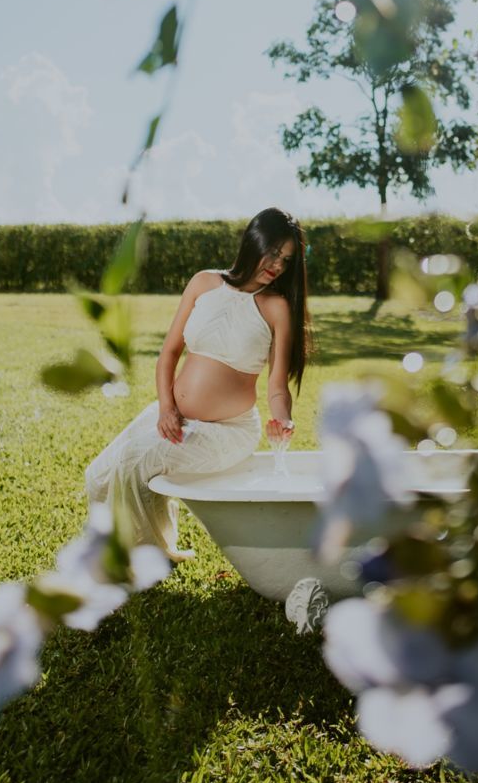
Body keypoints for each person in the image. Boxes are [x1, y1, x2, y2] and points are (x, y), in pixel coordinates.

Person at [84, 207, 311, 561]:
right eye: (272, 253)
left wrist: (283, 420)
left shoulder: (276, 307)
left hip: (228, 431)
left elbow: (277, 385)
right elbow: (169, 353)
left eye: (286, 260)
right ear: (253, 242)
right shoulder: (204, 282)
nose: (277, 266)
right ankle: (140, 550)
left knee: (133, 460)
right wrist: (166, 408)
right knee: (97, 477)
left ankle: (133, 563)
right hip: (174, 416)